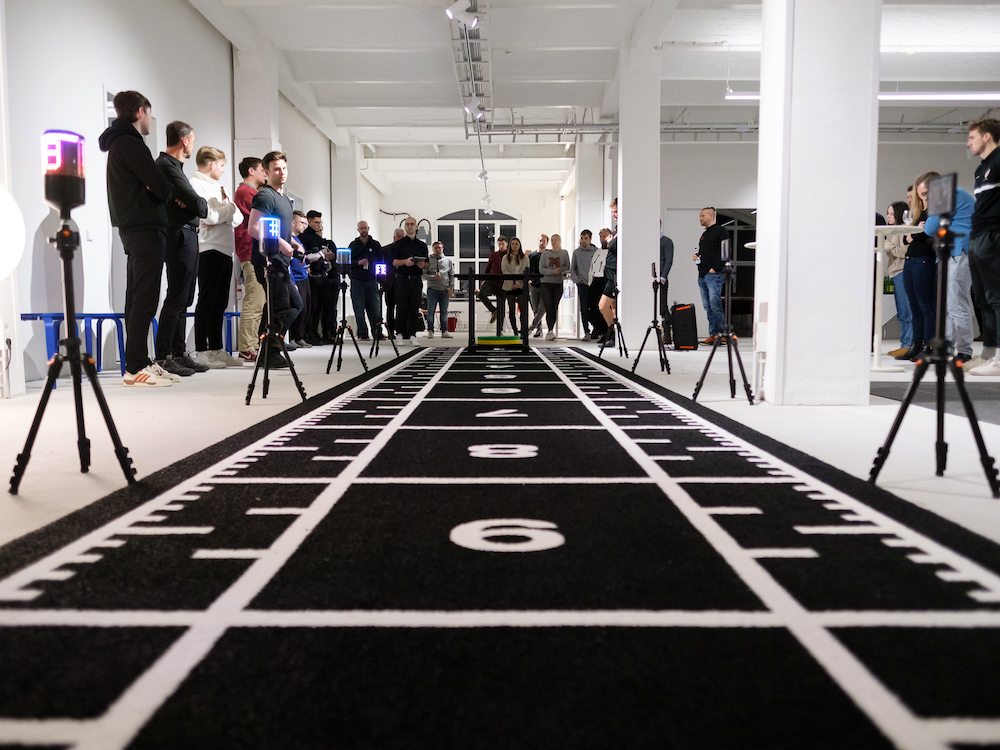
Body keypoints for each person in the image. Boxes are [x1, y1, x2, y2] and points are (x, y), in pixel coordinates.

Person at [98, 90, 176, 387]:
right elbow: (161, 186)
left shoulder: (120, 144)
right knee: (144, 296)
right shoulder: (130, 144)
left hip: (134, 227)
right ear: (141, 111)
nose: (151, 123)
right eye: (150, 115)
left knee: (138, 295)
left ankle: (140, 362)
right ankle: (135, 366)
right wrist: (162, 190)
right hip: (144, 227)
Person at [154, 121, 209, 377]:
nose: (193, 145)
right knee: (177, 296)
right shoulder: (165, 165)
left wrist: (191, 202)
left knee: (185, 297)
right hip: (178, 234)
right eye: (193, 140)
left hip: (188, 234)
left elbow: (196, 204)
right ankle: (165, 355)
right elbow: (198, 204)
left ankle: (178, 352)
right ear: (184, 140)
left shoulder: (175, 168)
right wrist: (191, 203)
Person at [189, 146, 243, 369]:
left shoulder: (218, 186)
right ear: (212, 164)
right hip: (208, 248)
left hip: (224, 249)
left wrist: (225, 211)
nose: (222, 170)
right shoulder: (196, 184)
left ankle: (216, 348)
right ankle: (202, 349)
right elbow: (209, 217)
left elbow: (237, 217)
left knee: (221, 301)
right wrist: (226, 211)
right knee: (208, 300)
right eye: (221, 165)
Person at [915, 172, 975, 366]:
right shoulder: (953, 192)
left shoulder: (947, 193)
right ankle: (947, 349)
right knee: (947, 306)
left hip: (958, 250)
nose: (925, 199)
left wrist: (927, 208)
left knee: (956, 304)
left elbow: (929, 227)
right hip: (953, 252)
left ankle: (964, 352)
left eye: (925, 195)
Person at [247, 151, 299, 366]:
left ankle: (270, 342)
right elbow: (254, 227)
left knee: (295, 304)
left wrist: (294, 243)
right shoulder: (265, 196)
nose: (282, 172)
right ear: (267, 172)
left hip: (282, 261)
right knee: (279, 305)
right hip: (268, 259)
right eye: (276, 169)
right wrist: (281, 243)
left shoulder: (284, 199)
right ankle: (269, 352)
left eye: (284, 168)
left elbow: (283, 228)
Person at [965, 119, 1000, 375]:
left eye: (972, 138)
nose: (968, 143)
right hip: (977, 236)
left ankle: (999, 358)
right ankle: (989, 354)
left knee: (996, 298)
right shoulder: (981, 169)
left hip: (994, 235)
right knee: (981, 298)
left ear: (987, 137)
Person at [234, 157, 266, 362]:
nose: (266, 173)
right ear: (251, 170)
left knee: (258, 300)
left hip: (254, 252)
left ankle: (252, 344)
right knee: (254, 300)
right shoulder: (247, 192)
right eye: (263, 169)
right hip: (249, 251)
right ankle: (247, 347)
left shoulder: (250, 193)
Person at [388, 216, 429, 346]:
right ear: (405, 227)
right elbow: (393, 262)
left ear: (416, 227)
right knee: (401, 307)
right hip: (402, 279)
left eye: (412, 224)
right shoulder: (398, 244)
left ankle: (412, 334)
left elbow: (427, 263)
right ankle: (399, 334)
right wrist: (405, 262)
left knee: (414, 307)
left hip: (416, 280)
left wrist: (423, 265)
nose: (410, 226)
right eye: (407, 224)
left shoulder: (422, 245)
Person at [300, 211, 336, 344]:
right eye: (316, 222)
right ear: (309, 221)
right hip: (312, 276)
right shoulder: (304, 237)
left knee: (328, 305)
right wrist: (320, 255)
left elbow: (327, 254)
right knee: (313, 307)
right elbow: (307, 257)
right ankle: (311, 333)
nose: (319, 225)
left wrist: (321, 255)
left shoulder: (319, 238)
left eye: (320, 222)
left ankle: (327, 333)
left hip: (323, 274)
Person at [692, 206, 727, 344]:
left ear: (711, 216)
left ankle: (720, 334)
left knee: (715, 303)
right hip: (702, 275)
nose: (700, 219)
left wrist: (715, 268)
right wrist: (697, 256)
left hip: (713, 274)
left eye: (702, 216)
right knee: (708, 306)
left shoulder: (721, 231)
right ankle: (713, 334)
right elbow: (706, 253)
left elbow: (725, 252)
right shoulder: (704, 234)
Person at [884, 201, 913, 359]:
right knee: (902, 311)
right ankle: (905, 344)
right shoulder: (895, 231)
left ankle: (907, 345)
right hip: (896, 272)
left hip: (902, 271)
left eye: (891, 213)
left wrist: (890, 248)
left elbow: (905, 251)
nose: (888, 216)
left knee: (906, 311)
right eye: (888, 213)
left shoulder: (903, 231)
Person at [349, 221, 383, 341]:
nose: (363, 230)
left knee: (375, 308)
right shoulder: (353, 245)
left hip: (372, 280)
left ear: (368, 228)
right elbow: (348, 262)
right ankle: (362, 333)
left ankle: (377, 332)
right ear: (358, 230)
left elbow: (381, 262)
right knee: (359, 308)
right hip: (357, 280)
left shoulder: (375, 245)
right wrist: (358, 263)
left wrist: (381, 279)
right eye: (361, 228)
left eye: (365, 228)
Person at [288, 210, 314, 350]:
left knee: (306, 309)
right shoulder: (289, 241)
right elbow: (289, 262)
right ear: (293, 223)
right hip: (296, 279)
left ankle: (300, 336)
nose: (304, 226)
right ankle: (292, 337)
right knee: (298, 307)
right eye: (302, 223)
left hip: (304, 277)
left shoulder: (298, 240)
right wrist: (292, 281)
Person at [598, 199, 620, 344]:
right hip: (610, 270)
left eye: (616, 211)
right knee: (611, 307)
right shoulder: (617, 228)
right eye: (612, 212)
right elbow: (607, 245)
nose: (614, 214)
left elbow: (612, 245)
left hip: (616, 272)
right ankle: (612, 334)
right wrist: (610, 241)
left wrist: (611, 241)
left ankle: (613, 333)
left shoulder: (624, 227)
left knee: (604, 305)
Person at [539, 233, 570, 340]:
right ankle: (550, 330)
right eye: (552, 240)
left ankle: (551, 330)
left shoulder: (564, 253)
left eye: (556, 240)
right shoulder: (545, 254)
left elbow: (567, 266)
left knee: (554, 307)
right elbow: (541, 269)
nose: (554, 242)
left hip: (558, 283)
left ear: (560, 241)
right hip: (546, 283)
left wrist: (560, 270)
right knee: (549, 307)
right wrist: (553, 271)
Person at [570, 230, 598, 340]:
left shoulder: (596, 251)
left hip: (594, 283)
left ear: (590, 239)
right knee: (584, 309)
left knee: (595, 308)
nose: (583, 240)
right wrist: (577, 281)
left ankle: (597, 329)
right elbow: (573, 269)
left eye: (586, 238)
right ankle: (586, 331)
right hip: (583, 283)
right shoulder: (576, 253)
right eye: (582, 238)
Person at [424, 240, 454, 339]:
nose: (438, 249)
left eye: (440, 248)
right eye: (436, 248)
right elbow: (423, 275)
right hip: (432, 289)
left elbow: (451, 275)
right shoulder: (427, 260)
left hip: (444, 290)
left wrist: (451, 289)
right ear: (432, 249)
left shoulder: (448, 261)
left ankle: (444, 331)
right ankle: (430, 330)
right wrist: (433, 277)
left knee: (444, 311)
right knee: (430, 311)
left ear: (443, 249)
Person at [501, 237, 530, 335]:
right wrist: (512, 282)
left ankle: (523, 331)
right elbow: (504, 270)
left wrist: (517, 284)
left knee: (523, 309)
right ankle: (515, 331)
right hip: (509, 286)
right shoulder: (505, 257)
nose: (514, 245)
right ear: (510, 245)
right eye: (512, 244)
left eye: (516, 244)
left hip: (521, 286)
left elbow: (525, 270)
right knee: (511, 309)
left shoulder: (525, 258)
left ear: (519, 245)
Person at [479, 235, 507, 326]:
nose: (501, 246)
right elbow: (488, 269)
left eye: (503, 244)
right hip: (492, 281)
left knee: (501, 305)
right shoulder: (493, 255)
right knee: (481, 294)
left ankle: (500, 329)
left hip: (503, 283)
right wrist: (484, 280)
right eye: (499, 244)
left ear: (506, 244)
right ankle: (493, 310)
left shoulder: (510, 255)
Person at [527, 234, 547, 337]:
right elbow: (528, 269)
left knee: (542, 309)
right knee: (535, 309)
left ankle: (531, 327)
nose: (542, 242)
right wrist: (528, 280)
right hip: (534, 286)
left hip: (545, 285)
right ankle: (539, 330)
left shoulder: (548, 254)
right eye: (540, 240)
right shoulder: (532, 255)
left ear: (546, 243)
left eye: (544, 241)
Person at [659, 221, 674, 340]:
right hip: (649, 277)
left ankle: (667, 332)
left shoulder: (666, 241)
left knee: (662, 306)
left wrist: (663, 276)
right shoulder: (649, 241)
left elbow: (668, 260)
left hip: (660, 277)